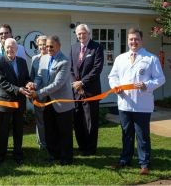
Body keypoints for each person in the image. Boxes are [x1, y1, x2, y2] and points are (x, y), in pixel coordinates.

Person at [108, 28, 165, 175]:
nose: (133, 42)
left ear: (141, 40)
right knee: (126, 133)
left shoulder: (151, 59)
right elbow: (112, 76)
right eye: (131, 39)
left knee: (142, 135)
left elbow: (160, 79)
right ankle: (125, 159)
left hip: (142, 104)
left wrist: (147, 85)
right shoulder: (120, 58)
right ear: (128, 41)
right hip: (125, 103)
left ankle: (144, 163)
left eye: (136, 39)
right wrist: (115, 87)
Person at [29, 35, 75, 165]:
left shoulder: (64, 61)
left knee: (64, 132)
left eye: (51, 46)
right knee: (50, 129)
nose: (48, 48)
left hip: (62, 103)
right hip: (47, 101)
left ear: (58, 46)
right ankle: (54, 154)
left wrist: (38, 93)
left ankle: (66, 158)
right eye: (47, 46)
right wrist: (34, 85)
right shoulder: (43, 59)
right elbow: (39, 76)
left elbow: (58, 84)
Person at [0, 38, 31, 166]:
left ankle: (18, 154)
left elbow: (26, 78)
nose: (10, 49)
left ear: (17, 49)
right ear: (4, 48)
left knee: (18, 129)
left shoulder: (22, 61)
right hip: (5, 101)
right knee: (3, 130)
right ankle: (0, 156)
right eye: (8, 47)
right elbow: (1, 82)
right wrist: (18, 89)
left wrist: (29, 83)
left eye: (13, 47)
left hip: (20, 102)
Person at [70, 24, 104, 156]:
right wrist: (76, 84)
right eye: (79, 34)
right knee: (78, 120)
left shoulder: (97, 47)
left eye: (83, 33)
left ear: (88, 34)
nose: (81, 36)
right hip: (76, 92)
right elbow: (71, 69)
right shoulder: (73, 48)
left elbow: (97, 69)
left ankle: (90, 148)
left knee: (90, 121)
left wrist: (82, 83)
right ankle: (81, 146)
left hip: (90, 91)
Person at [30, 35, 47, 149]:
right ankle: (41, 143)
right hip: (37, 94)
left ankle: (50, 140)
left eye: (44, 44)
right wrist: (31, 91)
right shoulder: (34, 58)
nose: (42, 47)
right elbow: (32, 76)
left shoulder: (53, 57)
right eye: (40, 45)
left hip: (50, 93)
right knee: (39, 120)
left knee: (49, 119)